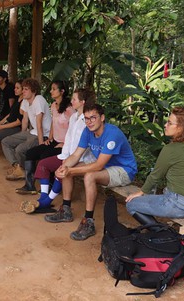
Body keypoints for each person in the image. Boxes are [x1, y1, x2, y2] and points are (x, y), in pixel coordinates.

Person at [45, 103, 137, 241]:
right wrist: (64, 167)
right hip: (104, 166)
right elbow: (76, 155)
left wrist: (71, 169)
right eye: (86, 118)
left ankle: (88, 222)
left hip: (124, 170)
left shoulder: (112, 134)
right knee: (67, 166)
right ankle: (66, 210)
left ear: (102, 118)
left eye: (93, 118)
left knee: (89, 176)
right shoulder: (88, 131)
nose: (89, 122)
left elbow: (98, 165)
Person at [20, 88, 96, 213]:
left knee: (63, 171)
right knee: (43, 164)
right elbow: (68, 138)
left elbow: (85, 146)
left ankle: (46, 201)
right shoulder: (74, 117)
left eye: (74, 99)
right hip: (69, 155)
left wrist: (69, 159)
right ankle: (43, 198)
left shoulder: (88, 120)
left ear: (83, 102)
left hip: (83, 158)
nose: (71, 101)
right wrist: (64, 155)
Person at [125, 107, 184, 224]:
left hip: (180, 205)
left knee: (131, 204)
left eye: (170, 123)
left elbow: (155, 176)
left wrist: (141, 192)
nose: (165, 125)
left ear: (182, 128)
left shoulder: (170, 149)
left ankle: (159, 232)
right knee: (166, 192)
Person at [16, 80, 74, 195]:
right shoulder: (53, 105)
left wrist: (65, 144)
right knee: (30, 153)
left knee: (45, 156)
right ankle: (29, 185)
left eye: (54, 89)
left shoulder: (69, 109)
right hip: (54, 141)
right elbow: (53, 123)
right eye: (51, 89)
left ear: (62, 91)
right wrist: (50, 138)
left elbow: (73, 129)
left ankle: (50, 187)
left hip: (67, 145)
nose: (51, 91)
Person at [1, 78, 52, 181]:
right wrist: (22, 135)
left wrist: (41, 144)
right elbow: (24, 119)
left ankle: (26, 171)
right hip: (32, 132)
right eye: (23, 89)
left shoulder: (39, 100)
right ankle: (18, 168)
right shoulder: (25, 100)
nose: (23, 91)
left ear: (34, 91)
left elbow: (39, 124)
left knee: (20, 149)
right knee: (6, 142)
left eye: (26, 89)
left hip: (42, 134)